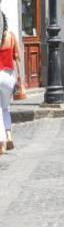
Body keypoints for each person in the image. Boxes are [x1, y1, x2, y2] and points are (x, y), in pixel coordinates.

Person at [0, 13, 21, 154]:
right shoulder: (12, 36)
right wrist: (20, 79)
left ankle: (1, 142)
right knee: (5, 107)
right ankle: (9, 136)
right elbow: (17, 58)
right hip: (9, 76)